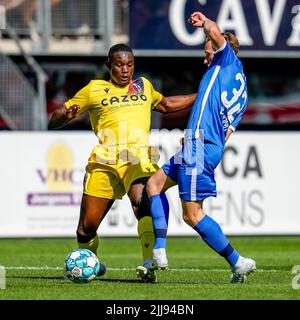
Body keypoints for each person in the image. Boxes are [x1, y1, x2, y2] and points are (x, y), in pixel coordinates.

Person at [48, 43, 196, 283]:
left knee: (143, 201)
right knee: (85, 229)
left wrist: (200, 95)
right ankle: (90, 263)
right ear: (109, 65)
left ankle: (149, 266)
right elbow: (54, 120)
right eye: (119, 64)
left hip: (137, 157)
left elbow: (167, 105)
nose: (125, 70)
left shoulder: (143, 85)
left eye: (129, 64)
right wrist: (64, 115)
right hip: (105, 159)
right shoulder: (95, 89)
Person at [145, 12, 256, 284]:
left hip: (200, 147)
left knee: (192, 214)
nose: (204, 57)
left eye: (207, 50)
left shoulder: (226, 61)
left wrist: (204, 21)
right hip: (199, 145)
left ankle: (238, 262)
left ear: (219, 47)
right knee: (154, 184)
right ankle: (159, 250)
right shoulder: (239, 89)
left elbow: (216, 31)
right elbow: (227, 129)